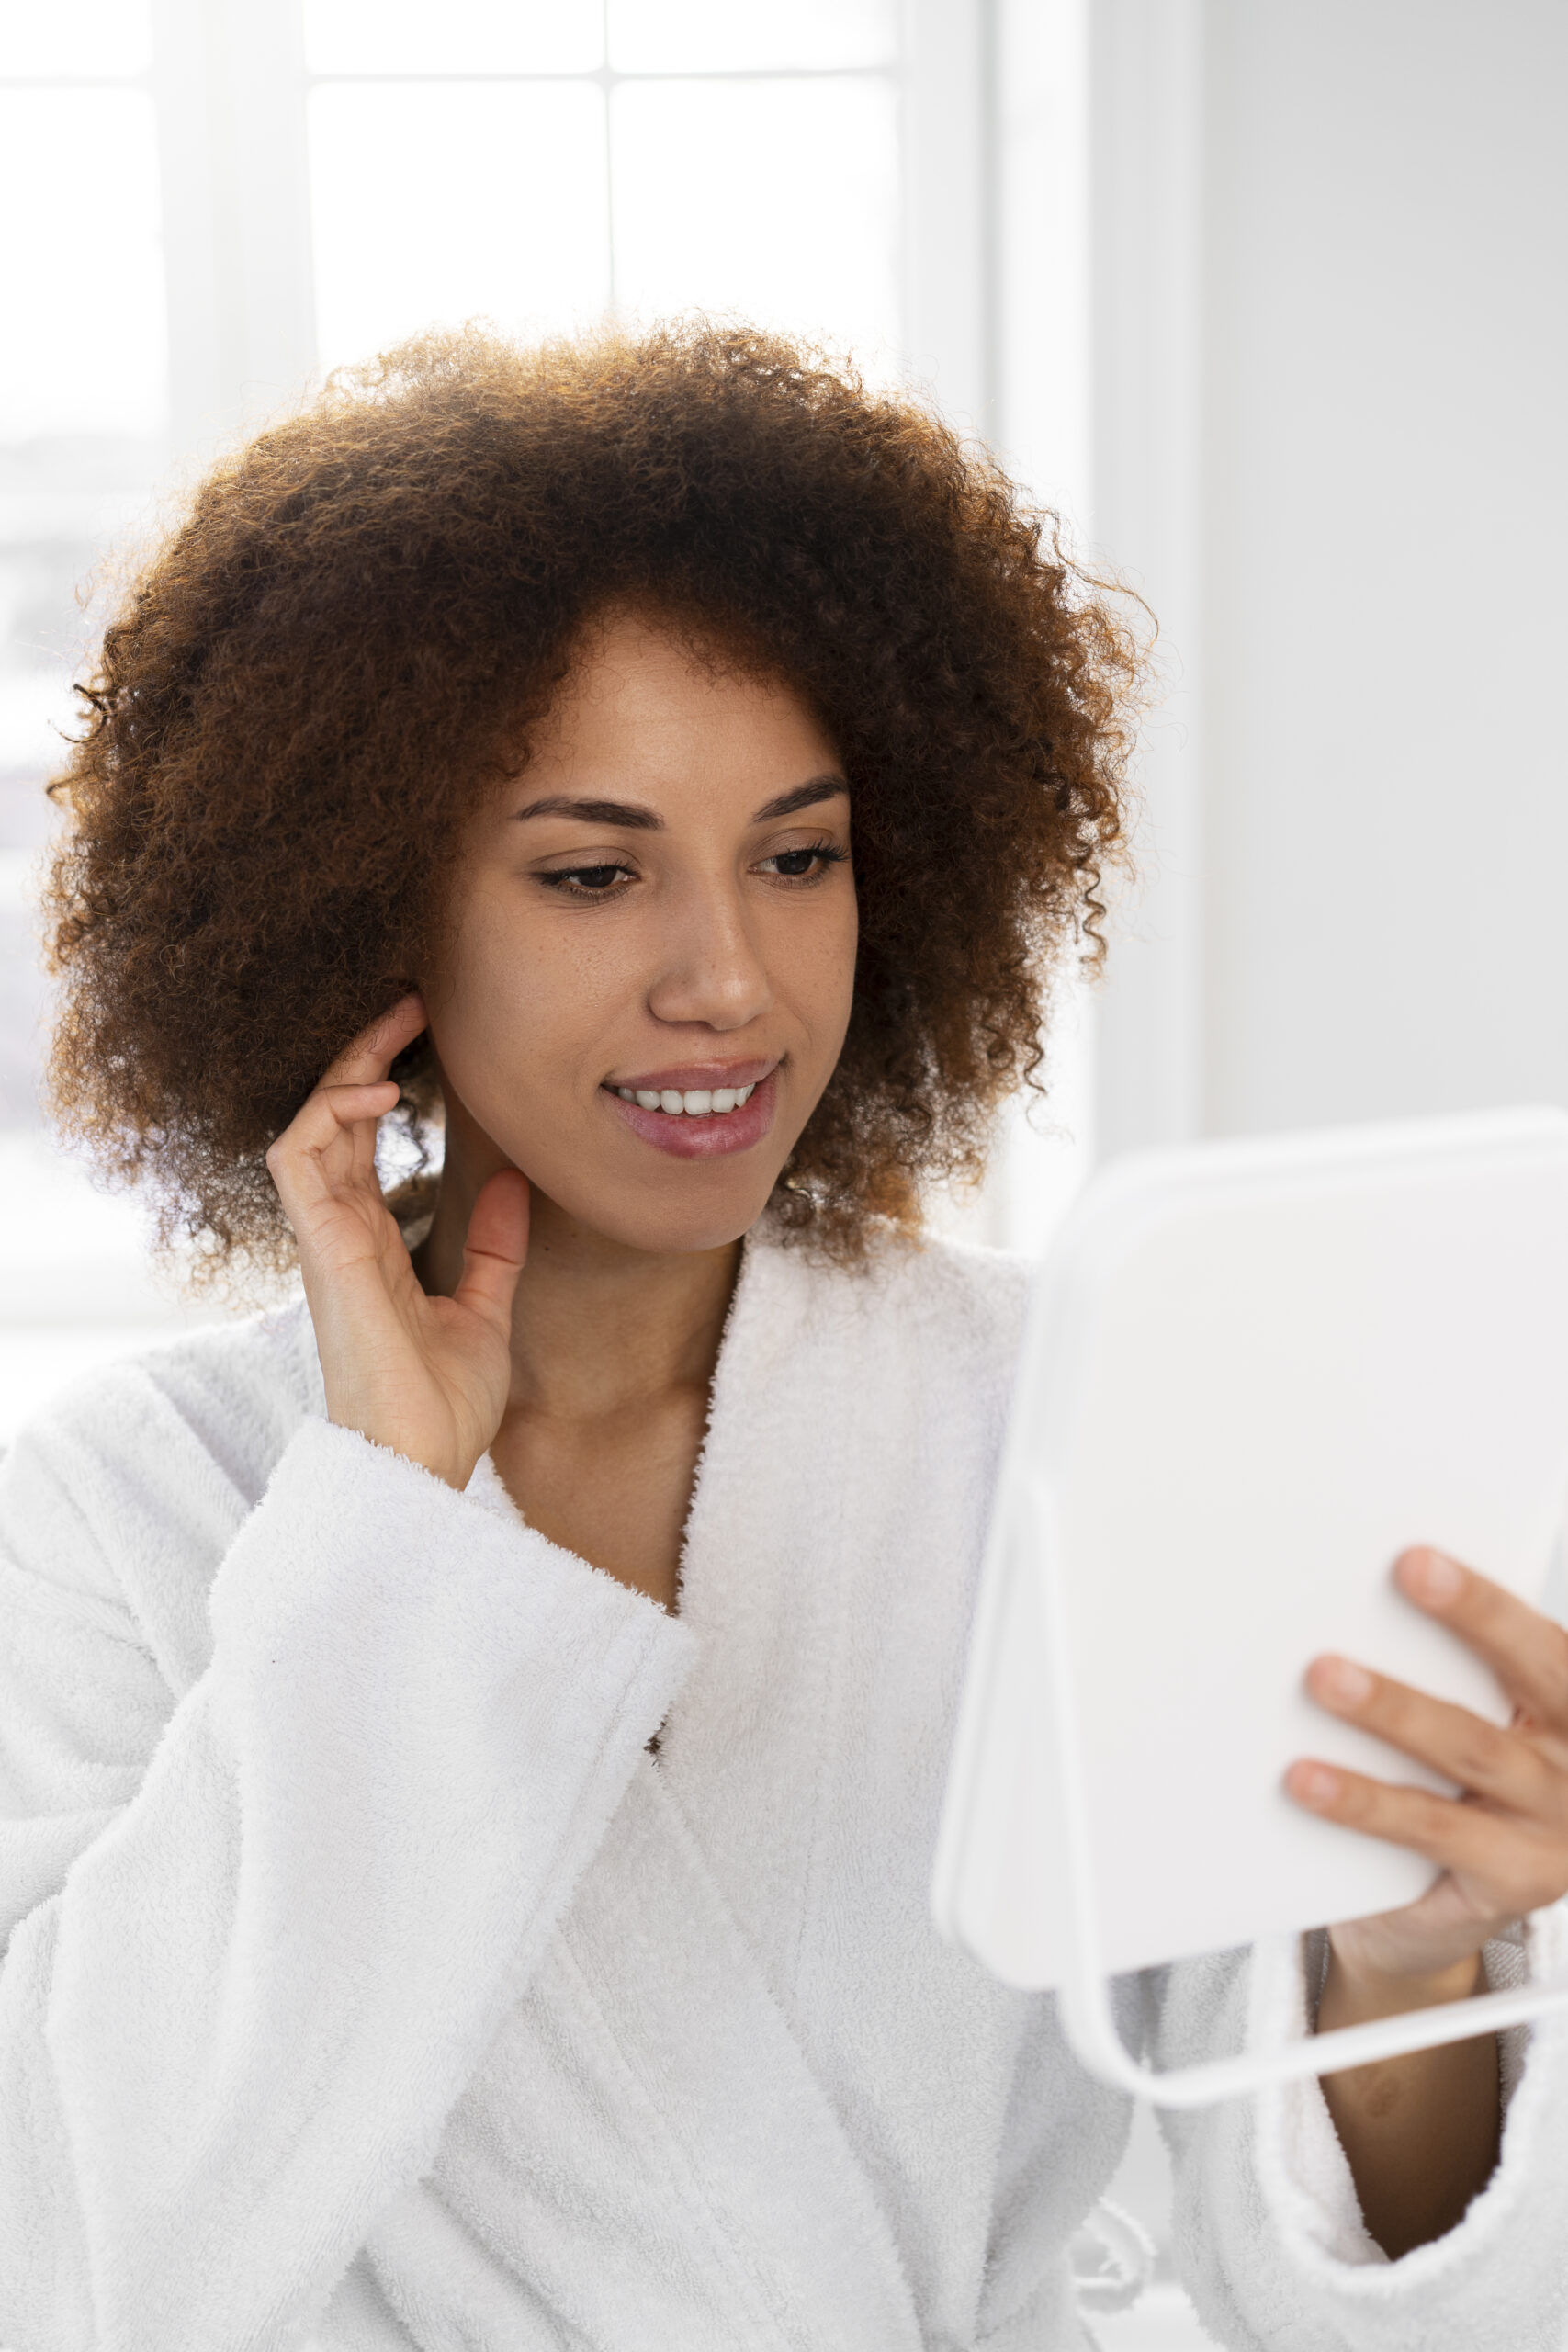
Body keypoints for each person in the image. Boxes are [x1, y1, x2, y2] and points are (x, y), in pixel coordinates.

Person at [2, 321, 1565, 2352]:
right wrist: (382, 1521)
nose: (728, 981)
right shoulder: (115, 1516)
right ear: (369, 906)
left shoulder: (1069, 1422)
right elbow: (80, 2270)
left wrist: (1406, 1956)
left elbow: (1365, 2302)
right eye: (593, 873)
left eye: (799, 856)